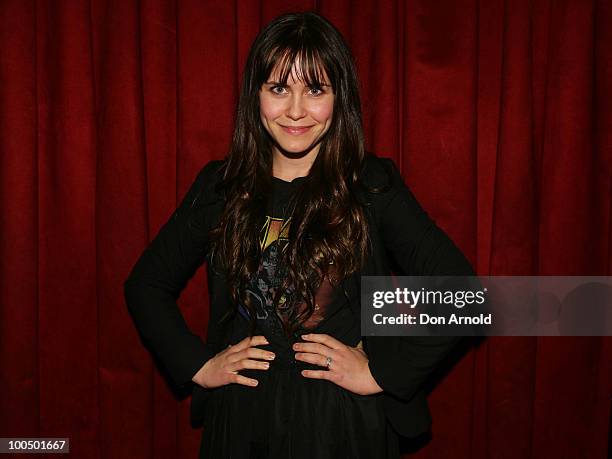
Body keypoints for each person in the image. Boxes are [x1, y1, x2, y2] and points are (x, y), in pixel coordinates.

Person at [124, 11, 474, 459]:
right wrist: (197, 365)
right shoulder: (221, 186)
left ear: (338, 97)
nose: (295, 110)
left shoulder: (370, 185)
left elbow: (462, 295)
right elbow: (146, 285)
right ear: (256, 95)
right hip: (242, 418)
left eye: (314, 89)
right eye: (278, 88)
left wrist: (381, 374)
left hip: (341, 423)